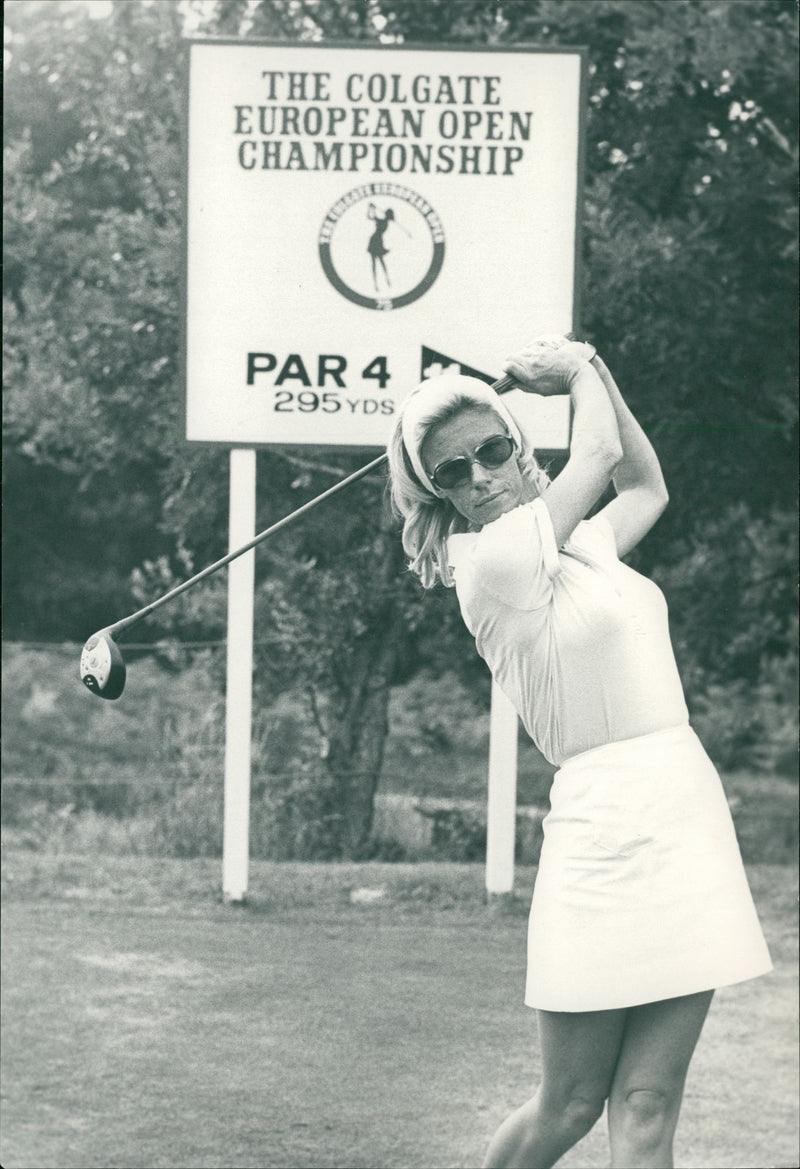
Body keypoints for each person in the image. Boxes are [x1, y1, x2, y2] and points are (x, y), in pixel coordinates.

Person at [385, 336, 772, 1169]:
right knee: (568, 1104)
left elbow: (642, 479)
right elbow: (593, 450)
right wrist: (579, 367)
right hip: (600, 831)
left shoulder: (582, 544)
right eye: (455, 470)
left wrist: (597, 374)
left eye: (492, 449)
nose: (481, 474)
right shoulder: (490, 564)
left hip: (684, 810)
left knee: (646, 1103)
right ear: (440, 494)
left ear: (518, 447)